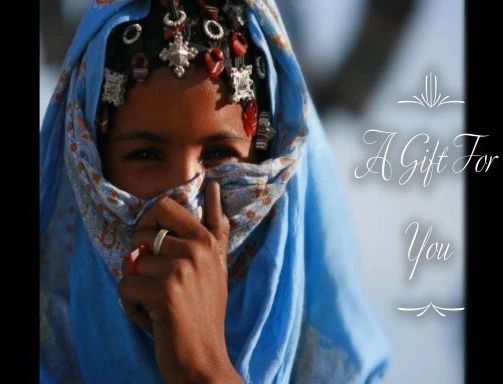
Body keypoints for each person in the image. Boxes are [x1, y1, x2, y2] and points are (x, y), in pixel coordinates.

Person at [40, 1, 389, 382]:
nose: (185, 201)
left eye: (220, 155)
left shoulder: (340, 369)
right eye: (146, 155)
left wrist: (205, 367)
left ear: (269, 160)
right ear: (88, 167)